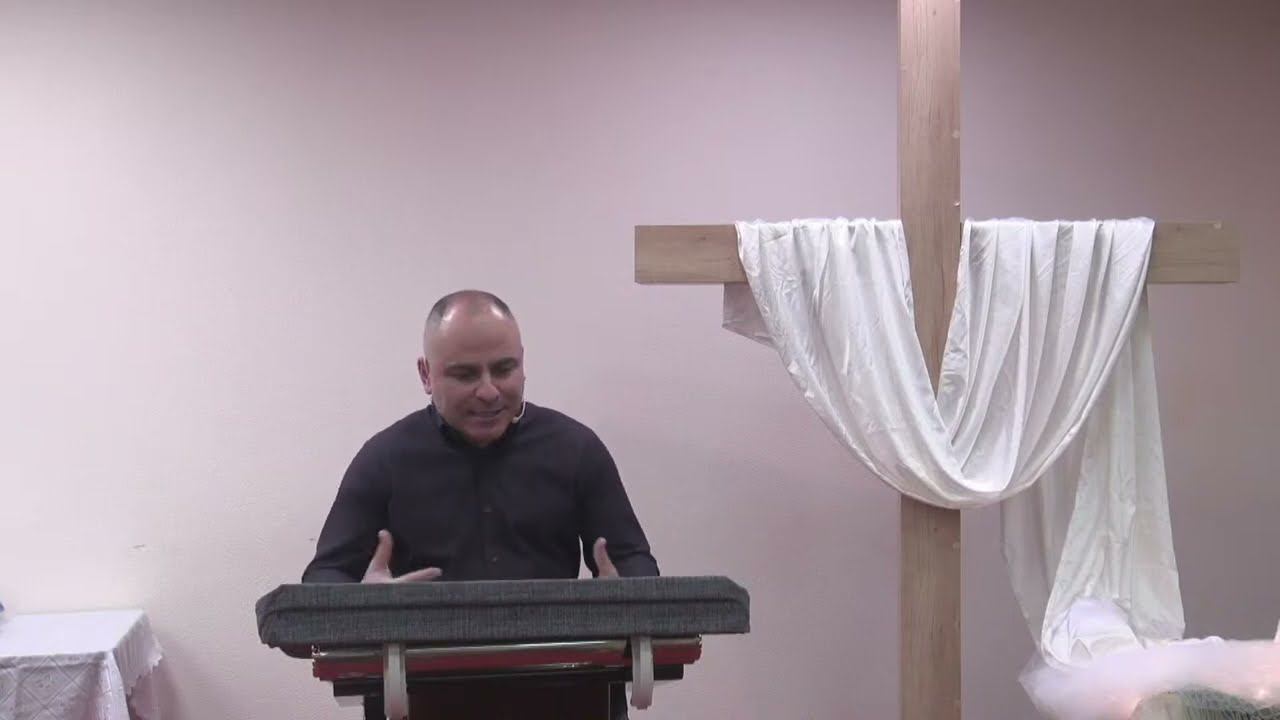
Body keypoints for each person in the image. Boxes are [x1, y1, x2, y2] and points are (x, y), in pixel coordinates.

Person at [302, 289, 658, 585]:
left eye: (504, 369)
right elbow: (323, 578)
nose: (489, 392)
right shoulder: (384, 460)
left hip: (553, 652)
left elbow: (634, 563)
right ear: (426, 375)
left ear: (522, 363)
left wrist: (623, 596)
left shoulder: (577, 450)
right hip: (419, 652)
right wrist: (363, 604)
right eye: (465, 375)